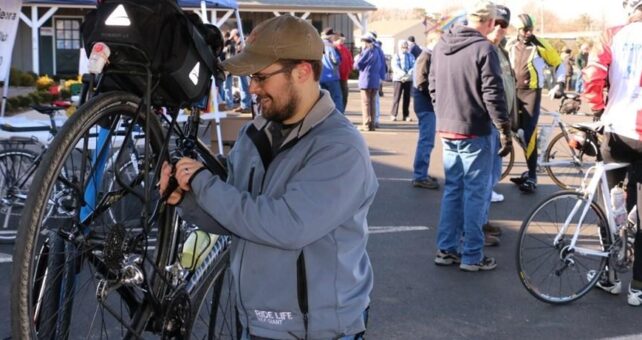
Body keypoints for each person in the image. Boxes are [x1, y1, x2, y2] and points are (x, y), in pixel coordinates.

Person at [160, 15, 377, 337]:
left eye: (261, 77)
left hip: (318, 332)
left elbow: (286, 225)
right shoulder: (254, 134)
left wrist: (204, 182)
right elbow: (237, 217)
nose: (252, 87)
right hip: (257, 324)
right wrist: (186, 200)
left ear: (302, 71)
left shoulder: (340, 148)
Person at [429, 0, 512, 271]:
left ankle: (446, 249)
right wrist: (504, 128)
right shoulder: (484, 48)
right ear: (488, 22)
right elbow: (493, 93)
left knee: (454, 189)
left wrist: (442, 112)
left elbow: (432, 85)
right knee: (476, 193)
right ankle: (472, 255)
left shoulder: (442, 44)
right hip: (475, 128)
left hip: (448, 126)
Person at [582, 0, 642, 306]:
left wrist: (597, 110)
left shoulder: (613, 34)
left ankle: (609, 275)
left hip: (616, 129)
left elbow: (592, 77)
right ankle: (638, 287)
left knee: (605, 202)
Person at [507, 13, 565, 193]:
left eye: (530, 29)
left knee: (529, 133)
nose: (528, 33)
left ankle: (532, 176)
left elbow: (558, 64)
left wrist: (560, 83)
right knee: (514, 131)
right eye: (525, 30)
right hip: (513, 93)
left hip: (532, 93)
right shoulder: (509, 44)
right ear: (517, 30)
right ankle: (530, 166)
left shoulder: (540, 44)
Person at [481, 4, 517, 247]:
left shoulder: (500, 51)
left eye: (504, 25)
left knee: (490, 178)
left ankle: (481, 221)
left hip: (499, 123)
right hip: (485, 124)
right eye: (496, 24)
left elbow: (507, 85)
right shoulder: (482, 50)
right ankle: (474, 230)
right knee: (478, 182)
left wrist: (510, 122)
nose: (500, 29)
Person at [411, 30, 441, 190]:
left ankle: (421, 173)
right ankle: (420, 175)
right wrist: (437, 93)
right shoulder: (426, 57)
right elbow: (422, 83)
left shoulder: (429, 56)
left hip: (427, 105)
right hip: (425, 106)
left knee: (427, 141)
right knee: (426, 141)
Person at [354, 32, 386, 131]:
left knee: (366, 102)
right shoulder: (377, 50)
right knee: (372, 102)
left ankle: (366, 123)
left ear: (366, 42)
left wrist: (356, 60)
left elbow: (358, 65)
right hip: (375, 79)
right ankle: (372, 124)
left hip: (366, 79)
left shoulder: (367, 51)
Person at [223, 28, 252, 113]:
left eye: (233, 37)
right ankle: (243, 105)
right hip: (237, 66)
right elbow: (225, 44)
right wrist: (229, 39)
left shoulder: (244, 42)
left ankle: (246, 106)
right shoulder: (233, 43)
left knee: (244, 86)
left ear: (236, 35)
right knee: (240, 85)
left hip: (244, 66)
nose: (232, 39)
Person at [390, 40, 416, 122]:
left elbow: (414, 65)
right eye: (403, 47)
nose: (404, 48)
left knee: (407, 98)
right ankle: (393, 114)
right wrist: (402, 74)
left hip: (408, 79)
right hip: (398, 79)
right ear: (399, 47)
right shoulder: (396, 56)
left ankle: (406, 115)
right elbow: (395, 66)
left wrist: (408, 74)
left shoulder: (411, 56)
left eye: (406, 47)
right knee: (396, 97)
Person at [320, 27, 344, 113]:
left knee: (322, 100)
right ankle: (338, 119)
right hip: (332, 77)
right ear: (330, 36)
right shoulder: (330, 46)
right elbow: (336, 60)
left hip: (321, 77)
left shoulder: (319, 45)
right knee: (337, 99)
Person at [335, 33, 354, 113]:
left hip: (344, 77)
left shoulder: (345, 49)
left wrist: (349, 70)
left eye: (343, 40)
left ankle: (342, 111)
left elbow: (350, 60)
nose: (342, 41)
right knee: (338, 96)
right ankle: (338, 112)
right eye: (341, 39)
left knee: (344, 95)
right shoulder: (335, 49)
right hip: (337, 77)